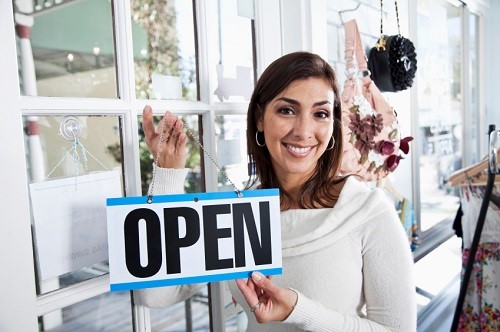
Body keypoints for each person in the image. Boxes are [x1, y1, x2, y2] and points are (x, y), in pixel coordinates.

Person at [135, 51, 416, 331]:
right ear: (260, 118)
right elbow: (155, 293)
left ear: (333, 124)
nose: (304, 131)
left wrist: (299, 310)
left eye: (320, 113)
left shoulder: (368, 212)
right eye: (286, 110)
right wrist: (167, 173)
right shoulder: (238, 214)